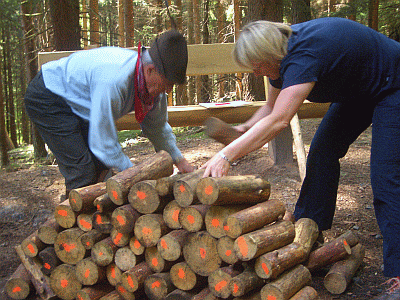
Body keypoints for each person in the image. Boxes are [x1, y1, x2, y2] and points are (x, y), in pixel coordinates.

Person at [201, 17, 400, 299]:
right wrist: (241, 130)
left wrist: (226, 155)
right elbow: (270, 109)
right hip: (359, 88)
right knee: (322, 153)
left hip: (394, 83)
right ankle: (309, 230)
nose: (256, 72)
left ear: (270, 54)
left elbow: (280, 120)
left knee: (386, 177)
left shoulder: (303, 55)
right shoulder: (277, 59)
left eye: (256, 65)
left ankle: (398, 276)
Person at [24, 29, 195, 198]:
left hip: (81, 102)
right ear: (150, 70)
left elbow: (157, 128)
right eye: (168, 83)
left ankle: (96, 215)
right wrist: (133, 174)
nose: (168, 90)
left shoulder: (153, 90)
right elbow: (103, 142)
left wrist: (179, 160)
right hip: (49, 96)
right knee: (82, 171)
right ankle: (70, 219)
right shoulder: (114, 81)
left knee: (101, 170)